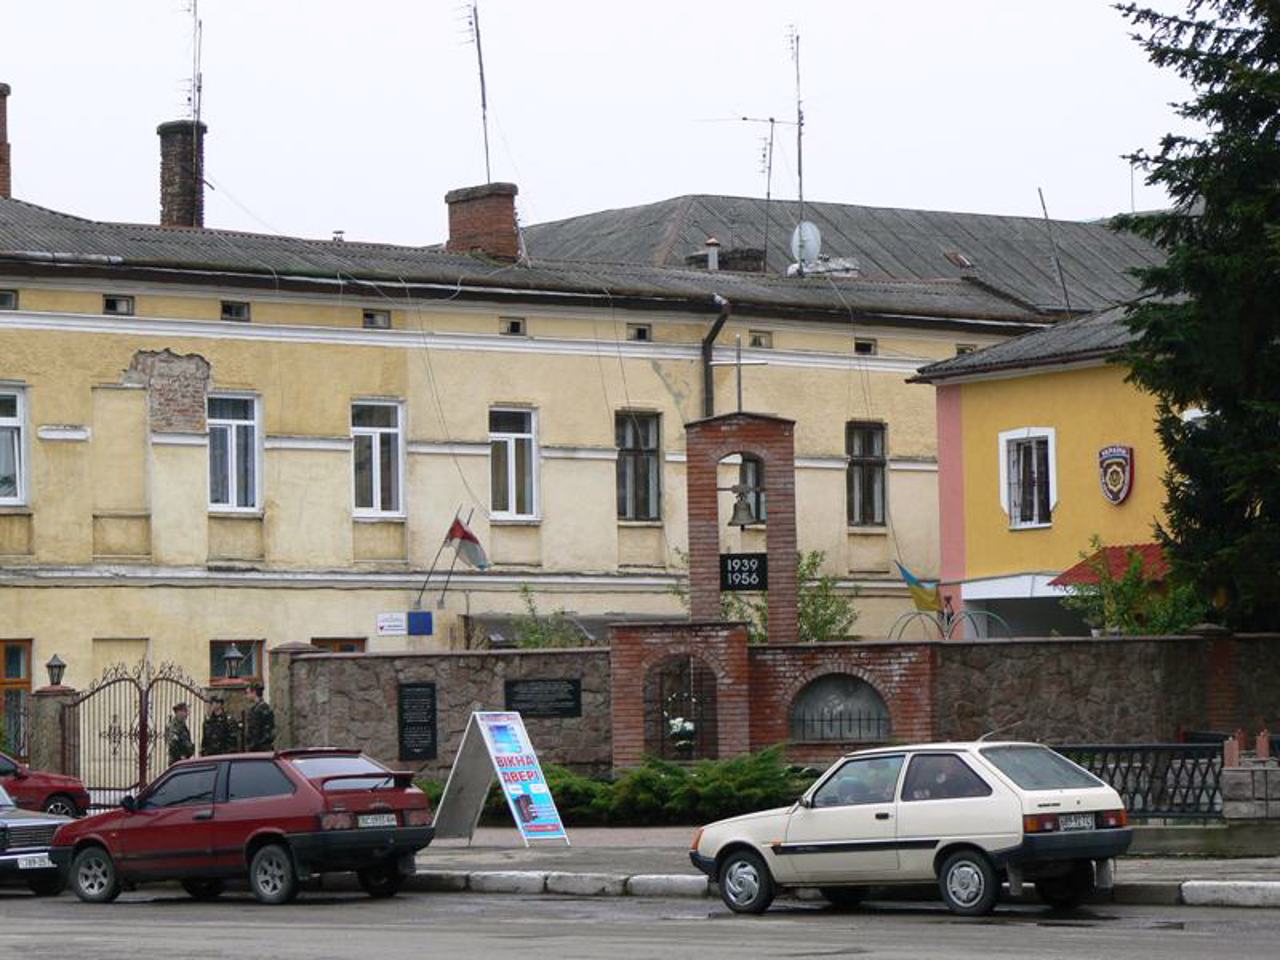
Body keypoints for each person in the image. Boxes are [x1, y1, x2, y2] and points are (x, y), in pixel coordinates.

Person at [245, 682, 276, 752]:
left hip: (260, 748)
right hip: (259, 746)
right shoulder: (260, 708)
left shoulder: (260, 709)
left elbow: (258, 731)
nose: (247, 696)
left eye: (248, 693)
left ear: (254, 693)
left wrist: (254, 745)